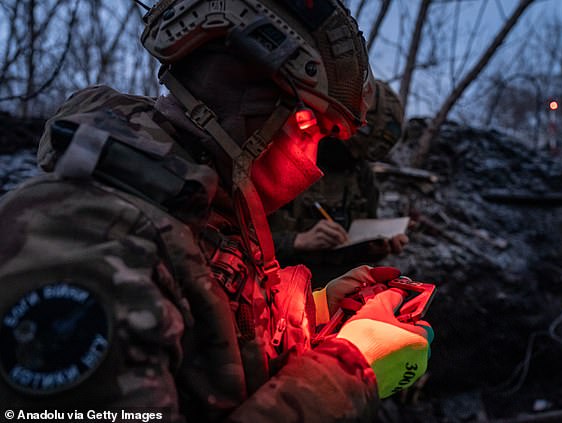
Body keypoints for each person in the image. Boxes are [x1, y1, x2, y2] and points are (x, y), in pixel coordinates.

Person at [0, 1, 433, 421]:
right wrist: (350, 371)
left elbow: (215, 341)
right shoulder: (86, 237)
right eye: (309, 128)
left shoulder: (192, 207)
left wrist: (315, 312)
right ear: (253, 107)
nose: (314, 161)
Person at [269, 80, 408, 287]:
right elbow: (231, 238)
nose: (353, 158)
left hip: (336, 288)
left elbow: (358, 244)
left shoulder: (361, 174)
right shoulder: (284, 154)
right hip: (277, 285)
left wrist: (374, 249)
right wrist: (297, 241)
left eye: (361, 155)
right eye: (351, 149)